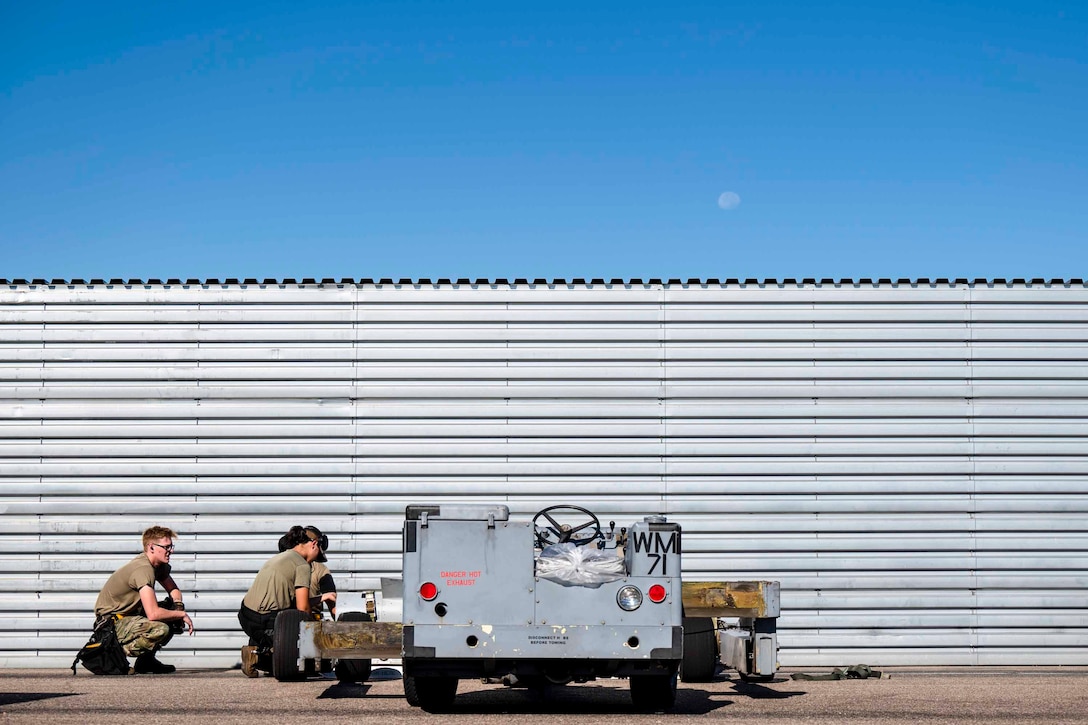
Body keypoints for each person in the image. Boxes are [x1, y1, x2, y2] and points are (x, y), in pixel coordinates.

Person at [93, 526, 195, 675]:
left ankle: (146, 662)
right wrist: (181, 615)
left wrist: (178, 608)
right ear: (151, 547)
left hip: (128, 617)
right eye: (167, 547)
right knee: (161, 628)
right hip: (110, 624)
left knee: (171, 610)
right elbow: (153, 614)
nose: (171, 551)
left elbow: (174, 590)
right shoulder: (143, 569)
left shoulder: (158, 565)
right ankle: (110, 652)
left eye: (171, 546)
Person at [237, 525, 326, 677]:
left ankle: (258, 648)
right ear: (314, 544)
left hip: (246, 615)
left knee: (280, 649)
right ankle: (257, 656)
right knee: (304, 658)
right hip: (266, 621)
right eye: (317, 557)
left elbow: (292, 599)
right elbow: (303, 608)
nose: (315, 562)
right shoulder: (302, 565)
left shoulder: (282, 557)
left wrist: (321, 598)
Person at [277, 528, 337, 618]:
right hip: (288, 620)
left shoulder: (320, 571)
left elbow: (332, 602)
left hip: (302, 619)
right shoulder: (320, 570)